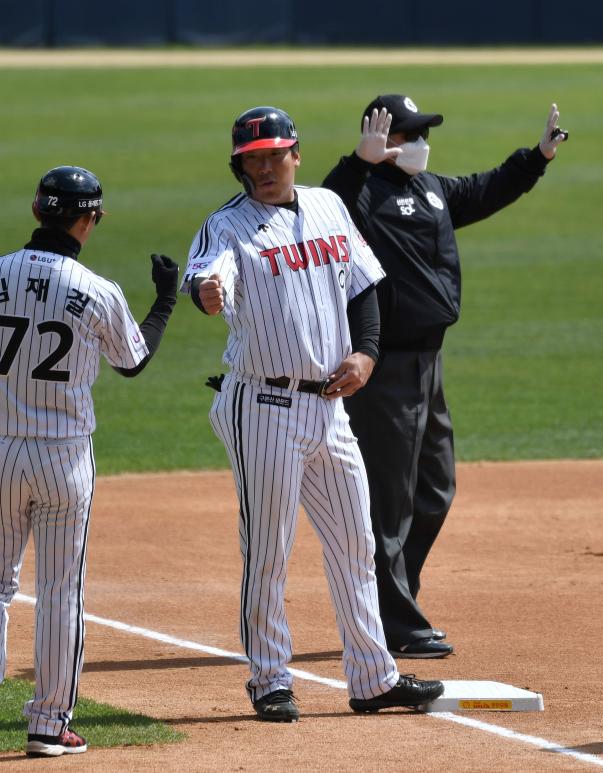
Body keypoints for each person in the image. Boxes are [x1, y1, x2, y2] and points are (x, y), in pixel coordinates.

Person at [183, 106, 444, 722]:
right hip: (264, 406)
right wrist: (206, 292)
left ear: (295, 154)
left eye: (275, 155)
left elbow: (362, 285)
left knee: (356, 545)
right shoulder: (226, 226)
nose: (266, 167)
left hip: (330, 409)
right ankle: (270, 679)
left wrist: (367, 353)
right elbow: (206, 275)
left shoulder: (329, 205)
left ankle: (373, 677)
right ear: (240, 167)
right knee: (269, 549)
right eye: (254, 160)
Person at [0, 166, 179, 760]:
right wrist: (166, 299)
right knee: (62, 588)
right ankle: (48, 723)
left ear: (38, 210)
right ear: (90, 219)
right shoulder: (96, 289)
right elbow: (132, 362)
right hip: (64, 459)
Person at [321, 95, 568, 658]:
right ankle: (393, 620)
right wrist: (358, 163)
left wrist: (538, 158)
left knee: (435, 486)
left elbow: (483, 190)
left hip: (429, 363)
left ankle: (391, 600)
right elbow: (322, 207)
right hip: (383, 366)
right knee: (389, 499)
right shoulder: (356, 199)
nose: (419, 142)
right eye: (408, 134)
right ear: (380, 139)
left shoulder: (430, 189)